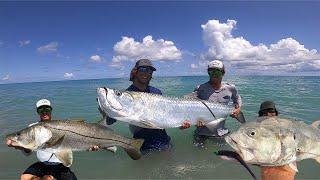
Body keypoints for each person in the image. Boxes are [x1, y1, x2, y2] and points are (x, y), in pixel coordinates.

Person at [100, 59, 171, 154]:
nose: (146, 73)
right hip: (141, 142)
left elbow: (166, 115)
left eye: (149, 70)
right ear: (135, 72)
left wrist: (182, 122)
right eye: (143, 69)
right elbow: (110, 121)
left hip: (163, 139)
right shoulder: (125, 95)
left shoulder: (157, 92)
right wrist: (105, 112)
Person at [7, 99, 77, 180]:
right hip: (43, 165)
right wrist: (21, 146)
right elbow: (28, 152)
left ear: (51, 110)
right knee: (25, 178)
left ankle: (48, 178)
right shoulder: (32, 127)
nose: (44, 112)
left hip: (60, 164)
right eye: (41, 109)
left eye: (47, 109)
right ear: (38, 112)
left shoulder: (62, 126)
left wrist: (89, 147)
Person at [181, 60, 243, 145]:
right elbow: (189, 106)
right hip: (201, 133)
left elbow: (237, 99)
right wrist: (186, 122)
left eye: (217, 72)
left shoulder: (231, 88)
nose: (214, 75)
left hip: (221, 133)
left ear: (223, 73)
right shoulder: (200, 89)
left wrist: (238, 108)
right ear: (208, 73)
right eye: (211, 72)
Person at [258, 101, 297, 180]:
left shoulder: (285, 128)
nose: (268, 115)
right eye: (264, 113)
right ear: (260, 116)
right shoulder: (261, 131)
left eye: (271, 112)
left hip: (284, 171)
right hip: (266, 171)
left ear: (276, 113)